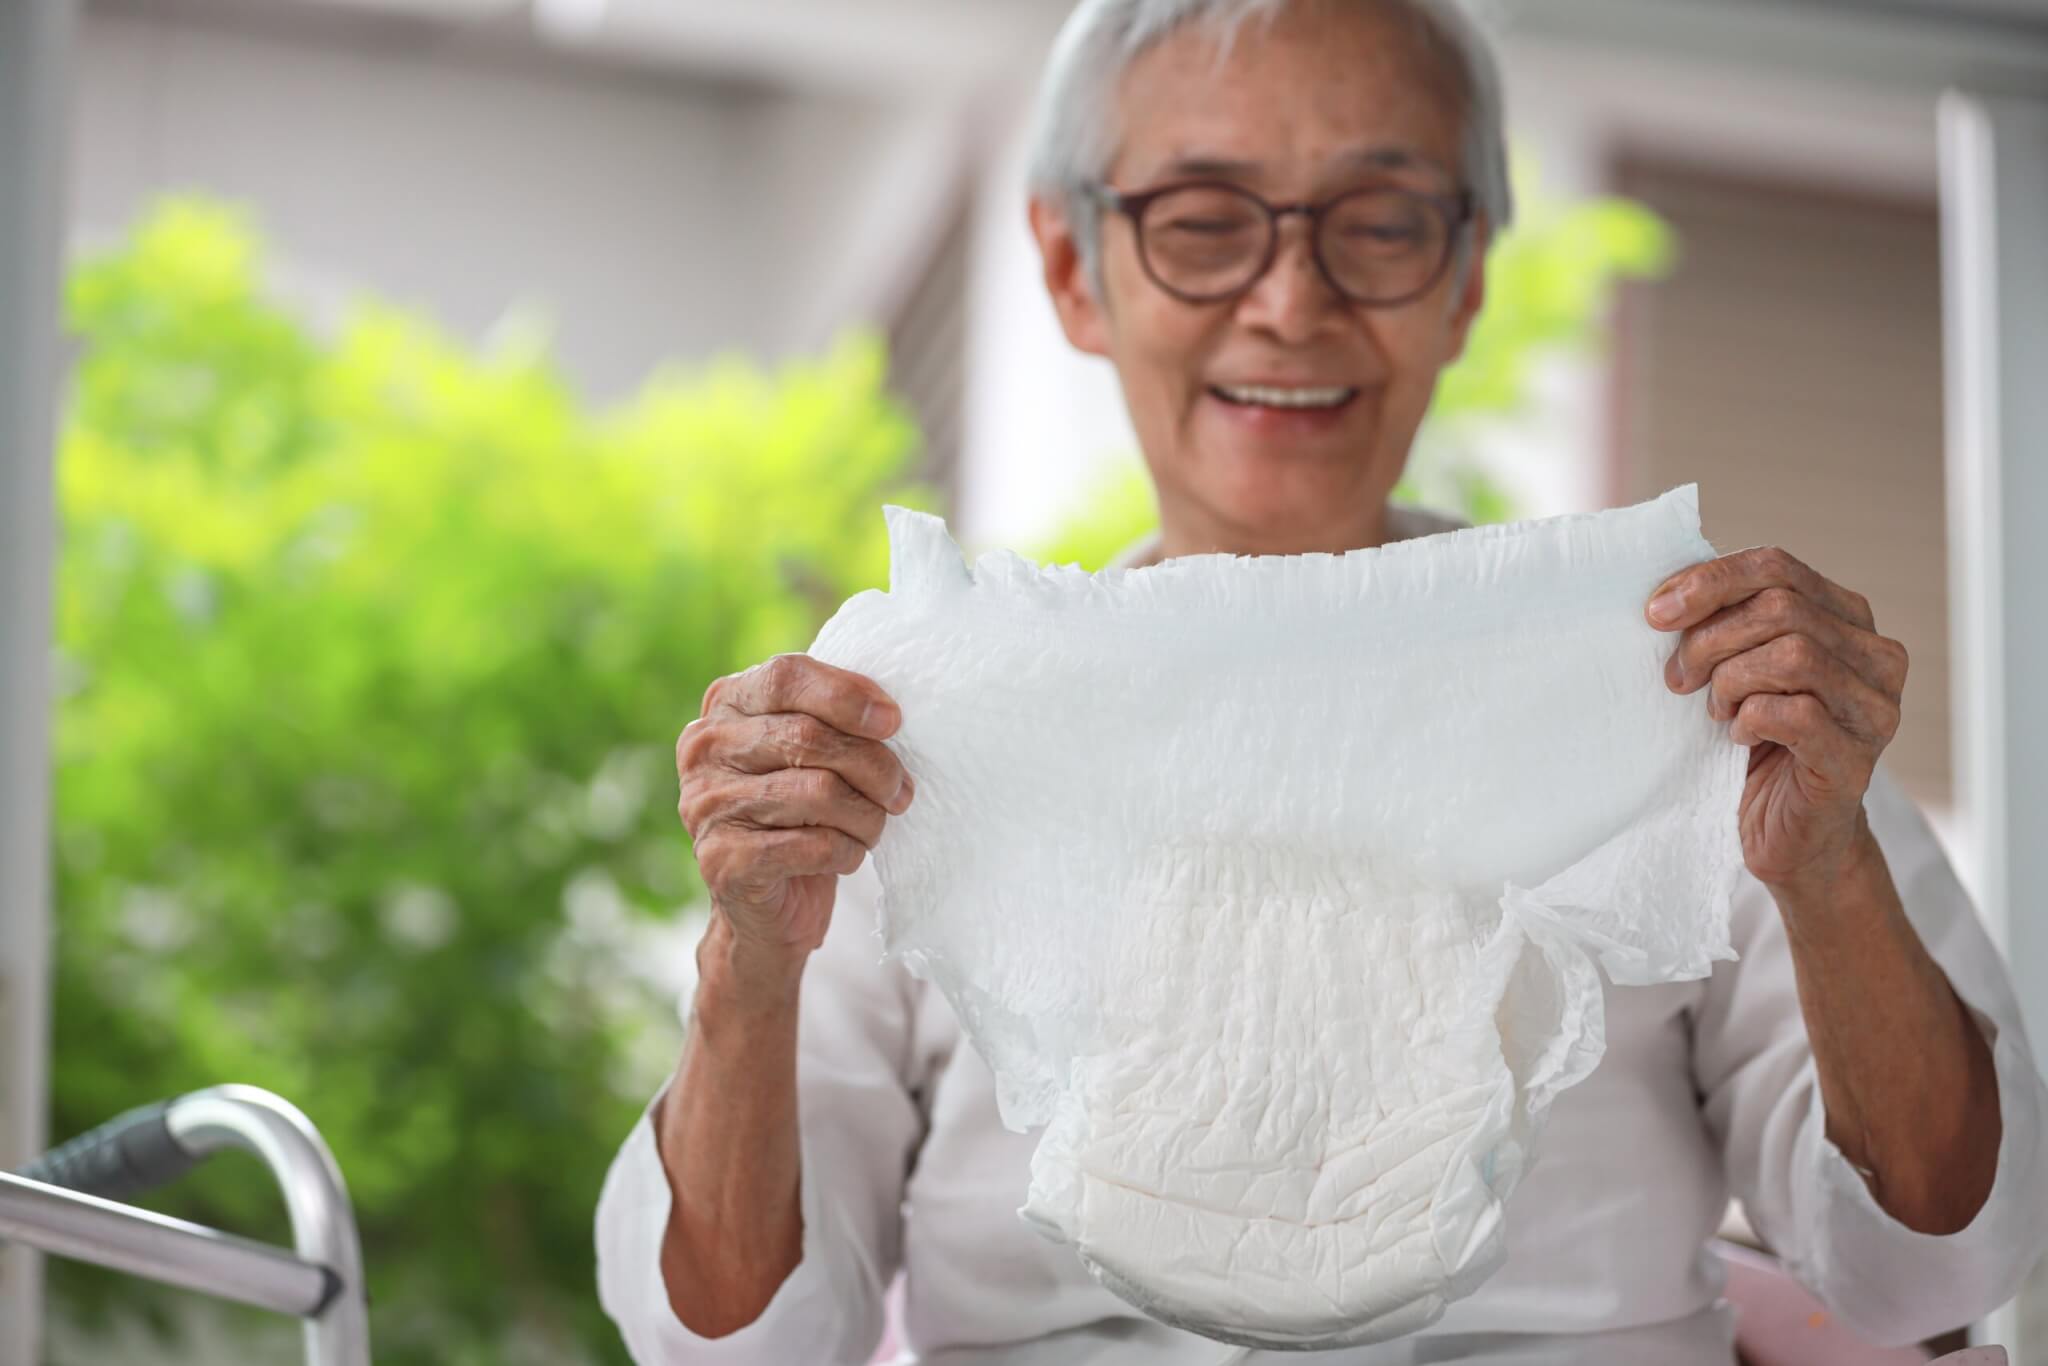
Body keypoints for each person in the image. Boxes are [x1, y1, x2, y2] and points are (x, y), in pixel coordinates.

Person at [594, 1, 2048, 1361]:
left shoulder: (1685, 689)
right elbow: (734, 1340)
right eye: (1204, 221)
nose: (1290, 301)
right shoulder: (920, 737)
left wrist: (1832, 867)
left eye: (1380, 221)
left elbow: (1939, 1263)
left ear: (1466, 274)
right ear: (1069, 267)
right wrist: (751, 956)